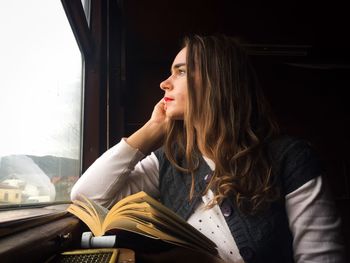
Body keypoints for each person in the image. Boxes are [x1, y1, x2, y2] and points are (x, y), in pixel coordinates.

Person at [71, 35, 345, 262]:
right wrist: (151, 129)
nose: (164, 83)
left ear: (218, 81)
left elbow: (322, 258)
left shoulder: (290, 158)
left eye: (180, 71)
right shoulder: (170, 161)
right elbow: (86, 196)